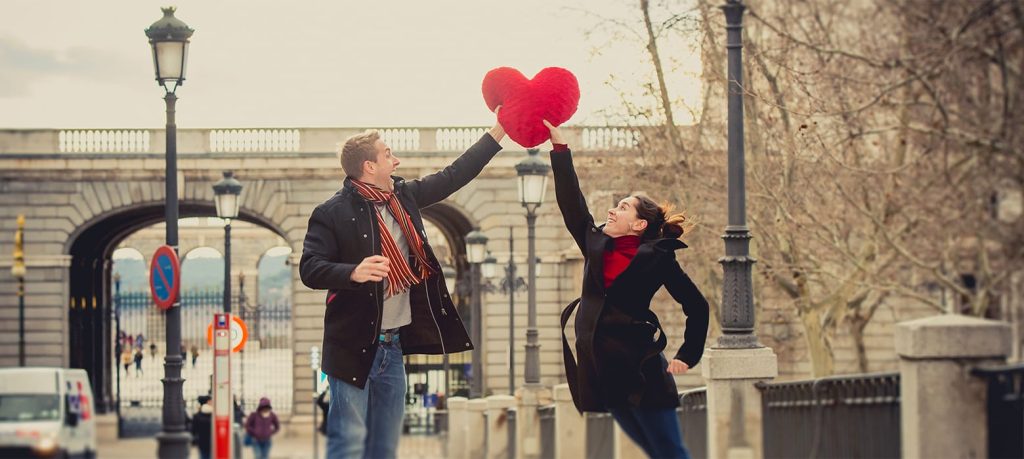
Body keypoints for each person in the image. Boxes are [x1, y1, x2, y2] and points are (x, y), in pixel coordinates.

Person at [299, 110, 506, 459]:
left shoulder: (403, 197)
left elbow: (453, 176)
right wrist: (352, 272)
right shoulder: (331, 212)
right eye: (388, 155)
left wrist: (497, 132)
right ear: (368, 166)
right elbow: (310, 267)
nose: (397, 161)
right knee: (348, 447)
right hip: (351, 346)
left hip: (392, 349)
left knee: (383, 449)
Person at [543, 120, 709, 459]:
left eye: (622, 207)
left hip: (642, 370)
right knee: (654, 451)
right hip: (604, 373)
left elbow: (697, 305)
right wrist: (560, 149)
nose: (612, 210)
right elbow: (571, 204)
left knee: (670, 451)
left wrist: (687, 355)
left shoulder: (658, 257)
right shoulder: (594, 242)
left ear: (639, 224)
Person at [190, 395, 213, 459]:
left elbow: (193, 430)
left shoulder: (196, 415)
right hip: (212, 441)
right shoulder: (213, 414)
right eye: (211, 401)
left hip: (202, 442)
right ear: (208, 402)